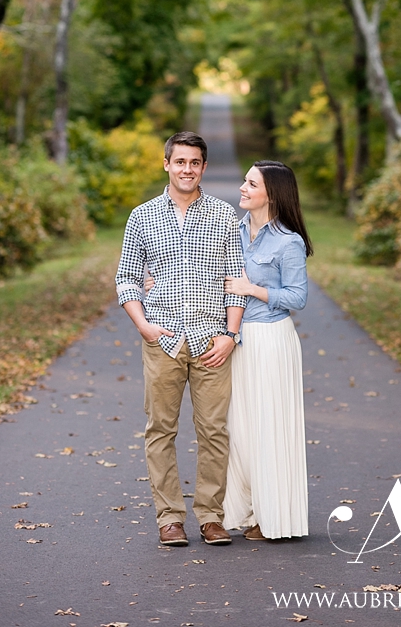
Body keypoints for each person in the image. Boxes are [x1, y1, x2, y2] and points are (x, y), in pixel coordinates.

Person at [115, 131, 246, 548]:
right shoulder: (142, 216)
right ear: (167, 164)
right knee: (161, 430)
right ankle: (169, 518)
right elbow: (126, 278)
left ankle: (210, 517)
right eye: (180, 162)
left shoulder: (225, 217)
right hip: (163, 340)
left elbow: (236, 282)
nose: (187, 169)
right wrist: (144, 325)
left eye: (194, 163)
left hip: (212, 342)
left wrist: (231, 334)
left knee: (214, 431)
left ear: (203, 167)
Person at [222, 160, 312, 541]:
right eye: (244, 181)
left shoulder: (287, 241)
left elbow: (298, 297)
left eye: (250, 183)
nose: (242, 188)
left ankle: (271, 517)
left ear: (271, 194)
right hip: (237, 340)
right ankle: (243, 510)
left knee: (269, 427)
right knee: (239, 428)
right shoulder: (233, 230)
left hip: (272, 341)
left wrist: (252, 289)